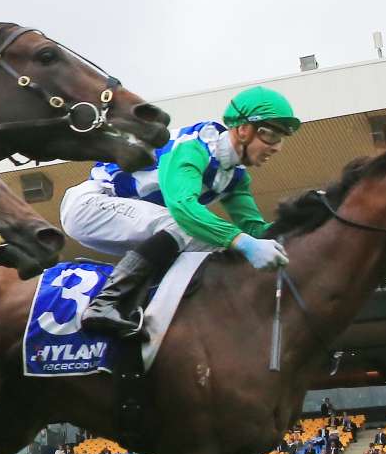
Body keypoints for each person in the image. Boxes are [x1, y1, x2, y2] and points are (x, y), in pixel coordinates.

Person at [59, 86, 301, 335]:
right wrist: (243, 242)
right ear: (243, 130)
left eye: (282, 138)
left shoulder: (235, 177)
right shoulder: (194, 147)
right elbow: (183, 208)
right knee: (185, 227)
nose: (277, 147)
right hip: (91, 205)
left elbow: (255, 229)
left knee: (212, 247)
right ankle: (105, 304)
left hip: (128, 218)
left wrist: (303, 228)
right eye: (271, 135)